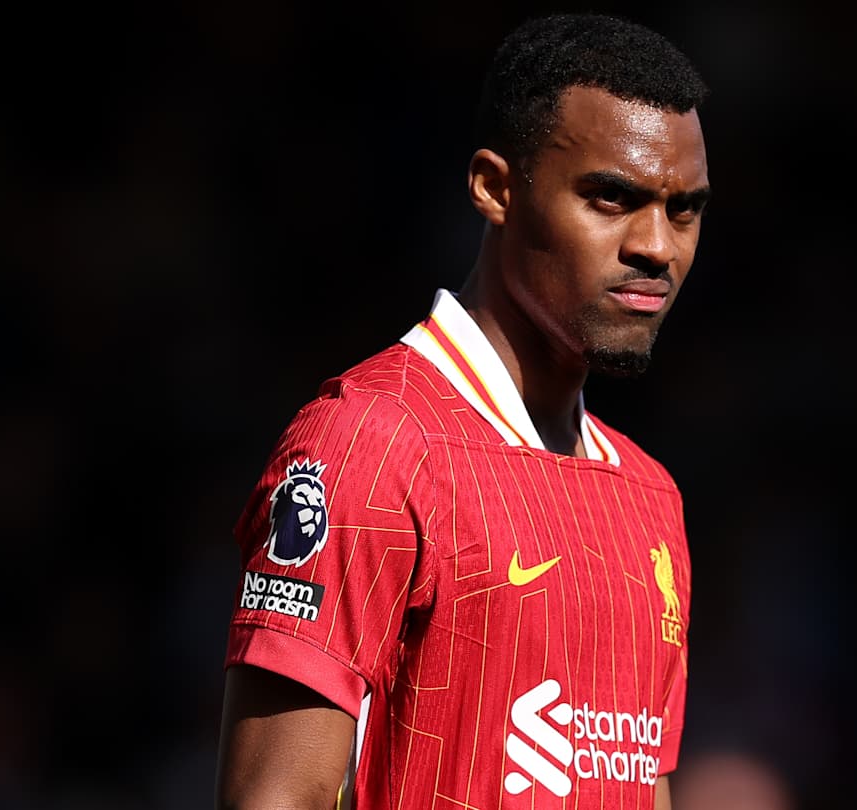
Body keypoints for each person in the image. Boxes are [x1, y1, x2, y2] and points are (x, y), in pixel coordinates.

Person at [215, 12, 711, 810]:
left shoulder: (651, 497)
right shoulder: (370, 442)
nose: (656, 245)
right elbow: (273, 797)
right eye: (611, 197)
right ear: (495, 188)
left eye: (683, 209)